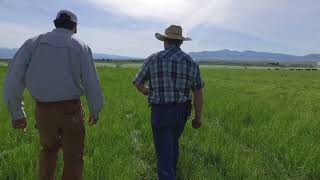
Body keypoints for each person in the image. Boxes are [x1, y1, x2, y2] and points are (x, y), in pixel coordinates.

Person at [4, 10, 104, 180]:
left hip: (43, 111)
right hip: (71, 112)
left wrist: (17, 113)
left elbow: (14, 78)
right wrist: (95, 110)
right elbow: (91, 82)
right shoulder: (81, 47)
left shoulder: (33, 43)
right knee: (73, 158)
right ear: (75, 28)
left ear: (55, 23)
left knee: (48, 151)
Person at [133, 25, 205, 180]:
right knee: (172, 143)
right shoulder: (192, 63)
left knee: (164, 154)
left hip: (160, 113)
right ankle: (172, 172)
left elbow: (137, 82)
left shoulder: (153, 59)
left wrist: (147, 91)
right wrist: (198, 117)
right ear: (180, 43)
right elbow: (198, 92)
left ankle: (168, 174)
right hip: (181, 114)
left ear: (165, 41)